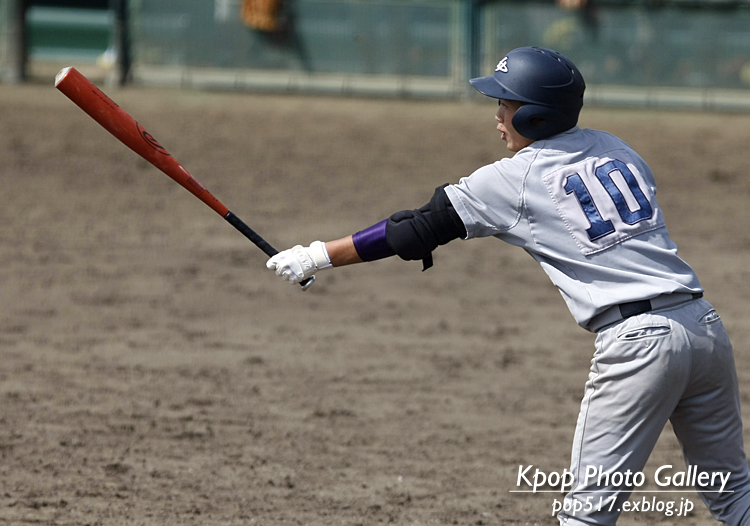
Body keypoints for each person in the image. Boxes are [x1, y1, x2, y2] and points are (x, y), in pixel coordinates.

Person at [265, 46, 750, 525]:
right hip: (703, 326)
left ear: (535, 116)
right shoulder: (617, 147)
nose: (497, 115)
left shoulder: (514, 178)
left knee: (587, 514)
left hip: (639, 346)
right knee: (734, 494)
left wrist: (317, 255)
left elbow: (414, 229)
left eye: (506, 104)